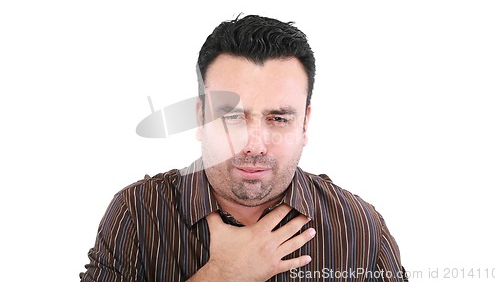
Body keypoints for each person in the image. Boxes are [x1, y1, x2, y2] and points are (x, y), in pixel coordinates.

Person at [80, 15, 408, 282]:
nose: (254, 144)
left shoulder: (359, 226)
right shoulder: (137, 213)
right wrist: (220, 276)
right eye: (233, 117)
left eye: (278, 118)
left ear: (304, 124)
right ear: (200, 117)